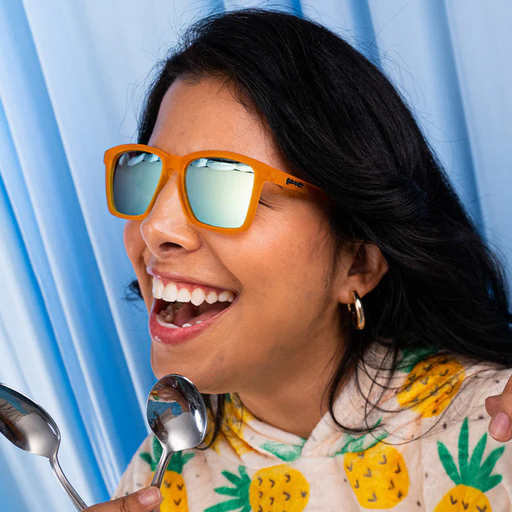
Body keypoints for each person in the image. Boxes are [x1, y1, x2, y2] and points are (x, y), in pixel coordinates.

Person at [89, 8, 512, 512]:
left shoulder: (496, 433)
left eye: (224, 185)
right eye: (148, 173)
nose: (155, 227)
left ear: (357, 264)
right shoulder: (155, 479)